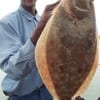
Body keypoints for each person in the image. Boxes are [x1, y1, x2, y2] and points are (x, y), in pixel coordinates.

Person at [0, 0, 59, 100]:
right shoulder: (6, 23)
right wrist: (41, 25)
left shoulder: (47, 20)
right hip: (22, 97)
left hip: (48, 93)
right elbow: (15, 70)